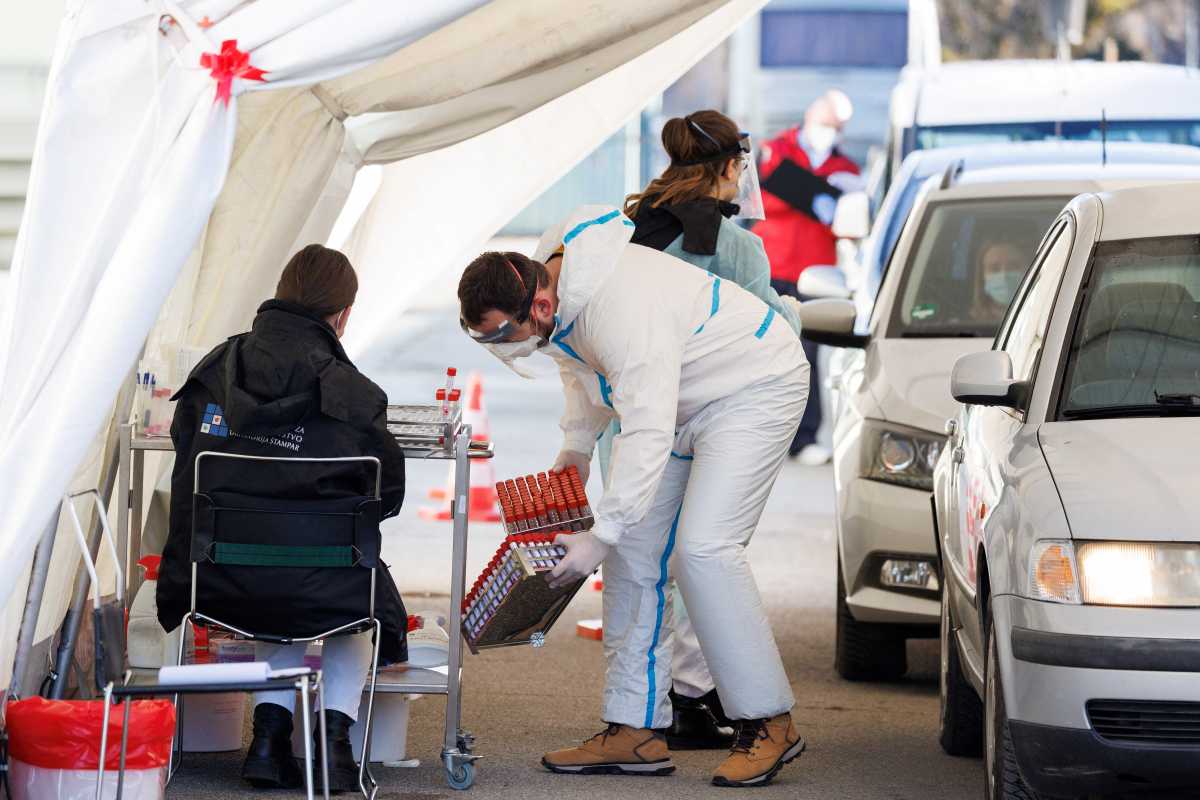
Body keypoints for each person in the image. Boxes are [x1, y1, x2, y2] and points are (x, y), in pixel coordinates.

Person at [457, 205, 809, 788]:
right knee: (634, 557)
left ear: (538, 305)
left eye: (502, 335)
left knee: (704, 551)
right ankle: (635, 729)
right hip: (680, 401)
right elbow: (579, 368)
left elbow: (644, 425)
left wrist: (602, 531)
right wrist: (574, 448)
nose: (503, 347)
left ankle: (768, 721)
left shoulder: (619, 307)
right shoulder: (556, 295)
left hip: (753, 385)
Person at [157, 244, 408, 792]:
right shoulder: (355, 394)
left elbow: (184, 479)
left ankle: (268, 743)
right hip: (325, 583)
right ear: (341, 315)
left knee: (281, 584)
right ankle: (334, 747)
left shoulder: (212, 376)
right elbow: (387, 495)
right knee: (341, 594)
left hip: (223, 577)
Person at [620, 109, 803, 750]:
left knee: (649, 564)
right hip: (718, 413)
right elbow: (771, 332)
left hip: (639, 417)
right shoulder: (735, 246)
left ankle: (651, 704)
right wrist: (797, 312)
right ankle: (695, 696)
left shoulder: (632, 226)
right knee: (707, 555)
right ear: (732, 166)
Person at [753, 89, 861, 465]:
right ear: (812, 116)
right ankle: (760, 434)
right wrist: (809, 199)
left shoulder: (846, 169)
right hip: (772, 267)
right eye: (827, 123)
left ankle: (805, 436)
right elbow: (758, 200)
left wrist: (840, 205)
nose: (831, 131)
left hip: (816, 274)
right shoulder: (775, 151)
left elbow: (848, 224)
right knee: (762, 351)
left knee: (808, 355)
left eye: (838, 127)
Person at [971, 240, 1026, 323]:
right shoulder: (962, 325)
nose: (1004, 275)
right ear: (982, 277)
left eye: (1013, 266)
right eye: (994, 269)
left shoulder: (1043, 318)